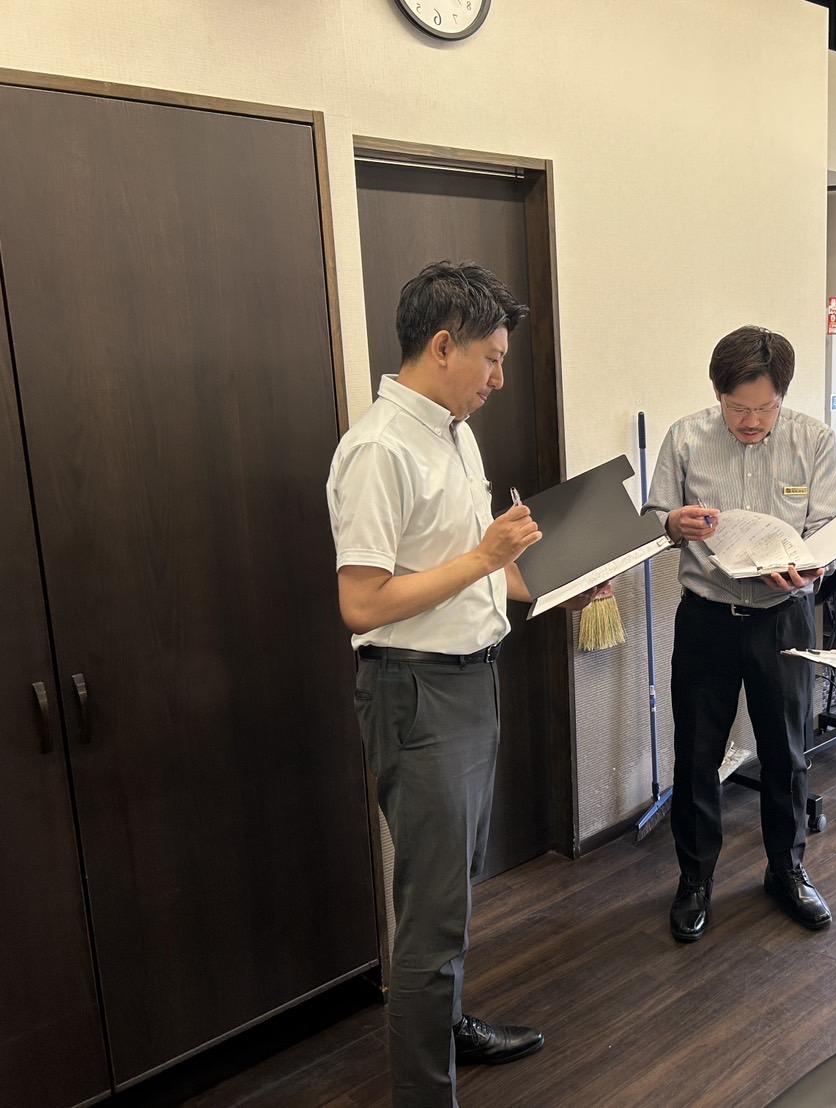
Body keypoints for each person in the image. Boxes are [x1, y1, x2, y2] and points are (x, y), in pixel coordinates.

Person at [327, 261, 608, 1107]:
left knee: (455, 887)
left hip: (472, 681)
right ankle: (424, 1092)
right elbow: (362, 602)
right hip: (417, 692)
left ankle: (447, 1027)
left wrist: (554, 582)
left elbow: (477, 572)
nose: (498, 378)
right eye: (492, 358)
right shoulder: (378, 449)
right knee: (432, 911)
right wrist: (486, 555)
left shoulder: (452, 432)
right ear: (444, 346)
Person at [643, 325, 836, 942]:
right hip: (707, 615)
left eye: (765, 408)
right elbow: (654, 519)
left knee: (787, 750)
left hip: (783, 616)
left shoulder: (813, 438)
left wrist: (813, 566)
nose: (751, 421)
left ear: (783, 396)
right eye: (737, 409)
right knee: (697, 752)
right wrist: (673, 523)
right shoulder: (686, 437)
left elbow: (829, 530)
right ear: (718, 395)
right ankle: (695, 878)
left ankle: (787, 870)